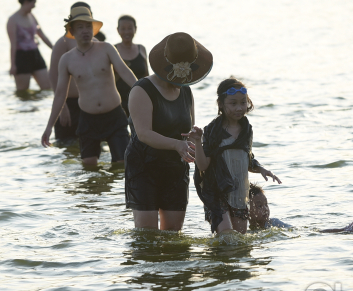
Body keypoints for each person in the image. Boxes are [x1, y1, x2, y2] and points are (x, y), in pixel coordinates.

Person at [125, 32, 213, 231]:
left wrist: (196, 141)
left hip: (175, 168)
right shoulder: (142, 90)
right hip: (144, 167)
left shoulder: (186, 91)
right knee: (147, 234)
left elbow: (188, 129)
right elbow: (143, 133)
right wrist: (176, 144)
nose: (184, 79)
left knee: (173, 234)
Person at [41, 7, 137, 165]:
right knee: (89, 164)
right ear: (72, 30)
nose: (85, 31)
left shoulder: (106, 48)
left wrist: (146, 92)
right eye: (80, 27)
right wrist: (49, 126)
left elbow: (126, 73)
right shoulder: (67, 59)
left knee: (122, 163)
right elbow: (60, 94)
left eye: (88, 26)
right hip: (87, 118)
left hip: (114, 115)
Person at [188, 78, 282, 235]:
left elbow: (246, 158)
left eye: (243, 102)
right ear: (221, 104)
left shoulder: (247, 129)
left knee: (239, 241)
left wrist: (261, 169)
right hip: (217, 192)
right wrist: (198, 141)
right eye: (233, 103)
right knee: (227, 236)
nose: (239, 108)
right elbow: (203, 166)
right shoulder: (213, 130)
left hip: (239, 194)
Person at [49, 2, 96, 141]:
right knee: (67, 145)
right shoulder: (62, 43)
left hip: (89, 102)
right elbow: (52, 75)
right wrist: (62, 108)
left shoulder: (96, 43)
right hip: (68, 103)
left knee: (91, 145)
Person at [7, 0, 53, 91]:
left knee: (47, 87)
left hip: (35, 54)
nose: (34, 6)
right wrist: (13, 65)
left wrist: (55, 48)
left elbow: (41, 35)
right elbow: (13, 44)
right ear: (27, 2)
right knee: (23, 91)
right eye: (34, 2)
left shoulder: (32, 16)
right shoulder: (12, 20)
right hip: (21, 57)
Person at [114, 15, 149, 116]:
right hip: (119, 101)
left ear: (135, 29)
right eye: (123, 29)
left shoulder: (141, 49)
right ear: (118, 30)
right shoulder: (113, 50)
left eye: (130, 28)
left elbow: (147, 76)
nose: (126, 32)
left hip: (140, 98)